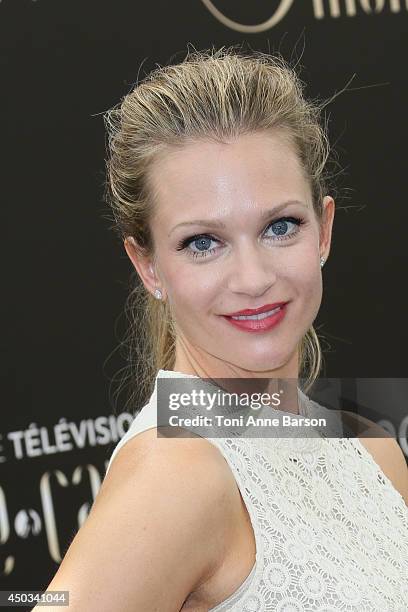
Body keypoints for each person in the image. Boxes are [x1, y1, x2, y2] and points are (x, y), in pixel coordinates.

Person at [36, 46, 408, 611]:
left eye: (281, 226)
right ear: (148, 266)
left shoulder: (370, 446)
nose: (254, 277)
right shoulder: (176, 472)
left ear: (325, 230)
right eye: (202, 243)